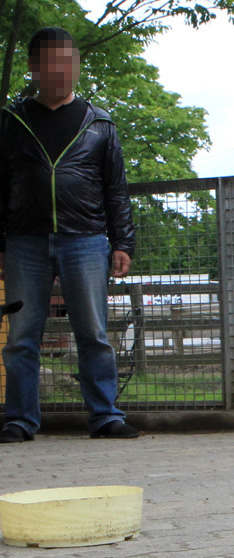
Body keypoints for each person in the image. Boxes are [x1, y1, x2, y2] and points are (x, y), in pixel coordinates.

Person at [0, 27, 140, 443]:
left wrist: (123, 243)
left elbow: (116, 188)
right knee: (22, 335)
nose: (61, 70)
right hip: (24, 241)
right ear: (34, 67)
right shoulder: (11, 121)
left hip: (88, 240)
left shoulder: (100, 123)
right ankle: (19, 420)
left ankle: (105, 417)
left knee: (94, 333)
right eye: (51, 61)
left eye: (68, 61)